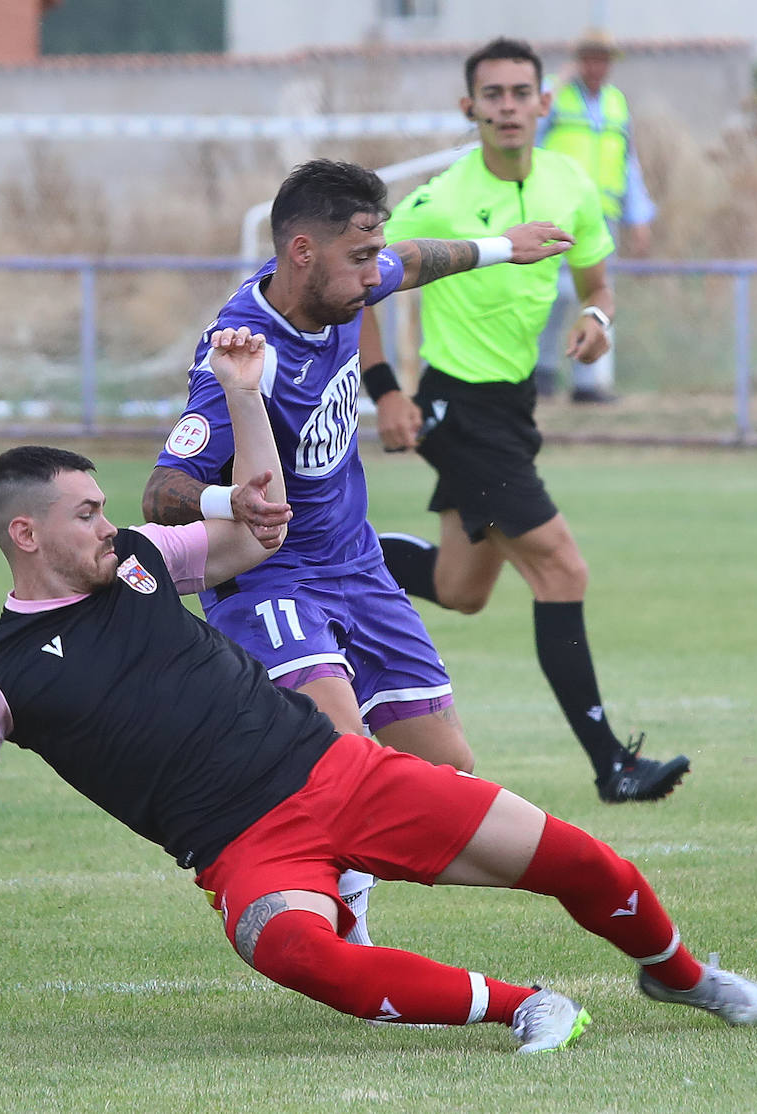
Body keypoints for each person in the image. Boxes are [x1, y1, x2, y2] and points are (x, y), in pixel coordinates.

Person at [0, 373, 757, 1052]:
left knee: (575, 858)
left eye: (102, 507)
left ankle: (679, 974)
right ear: (25, 530)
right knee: (291, 948)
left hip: (337, 772)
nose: (104, 520)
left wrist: (249, 409)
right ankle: (526, 1009)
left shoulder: (140, 557)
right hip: (242, 850)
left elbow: (251, 544)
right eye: (83, 511)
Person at [142, 158, 574, 943]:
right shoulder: (241, 351)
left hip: (357, 565)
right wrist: (224, 501)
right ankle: (343, 912)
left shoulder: (351, 284)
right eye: (360, 257)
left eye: (375, 255)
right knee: (346, 759)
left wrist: (506, 247)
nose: (375, 273)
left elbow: (419, 259)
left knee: (448, 772)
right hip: (273, 582)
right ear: (301, 252)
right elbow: (162, 490)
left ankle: (293, 815)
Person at [363, 36, 689, 805]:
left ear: (545, 103)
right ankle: (612, 763)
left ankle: (330, 552)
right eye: (493, 94)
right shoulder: (442, 198)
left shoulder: (571, 183)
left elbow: (598, 279)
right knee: (561, 567)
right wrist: (386, 391)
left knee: (460, 588)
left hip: (512, 408)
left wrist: (600, 317)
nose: (508, 106)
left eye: (520, 92)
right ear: (469, 108)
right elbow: (364, 283)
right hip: (453, 408)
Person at [534, 26, 658, 403]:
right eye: (589, 58)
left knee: (597, 297)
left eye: (602, 59)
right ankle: (542, 373)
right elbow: (530, 126)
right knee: (549, 296)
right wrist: (558, 81)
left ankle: (589, 382)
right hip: (556, 212)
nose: (596, 66)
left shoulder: (616, 103)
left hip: (601, 217)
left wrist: (639, 216)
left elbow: (628, 163)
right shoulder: (556, 96)